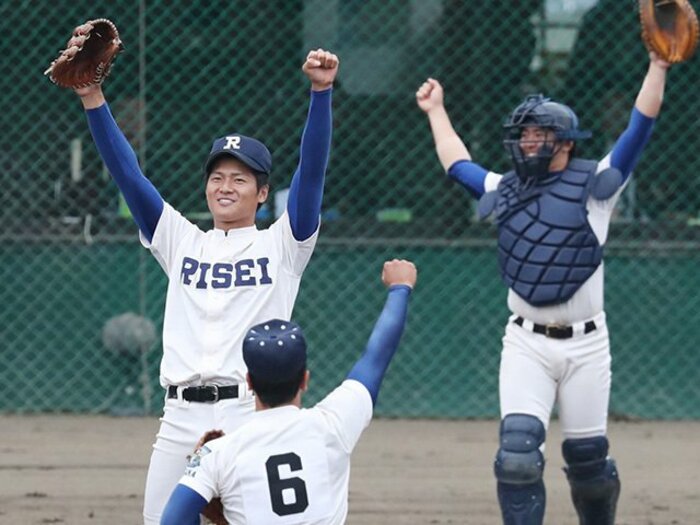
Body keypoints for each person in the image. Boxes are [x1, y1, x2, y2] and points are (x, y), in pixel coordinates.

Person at [68, 46, 339, 524]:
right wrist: (93, 97)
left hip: (245, 412)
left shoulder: (284, 243)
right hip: (179, 416)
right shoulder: (181, 240)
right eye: (217, 177)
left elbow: (311, 174)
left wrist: (320, 93)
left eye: (240, 178)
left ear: (261, 193)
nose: (226, 186)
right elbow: (128, 175)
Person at [416, 52, 670, 525]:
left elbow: (639, 128)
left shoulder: (596, 184)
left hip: (587, 344)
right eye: (523, 134)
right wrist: (436, 111)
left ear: (565, 143)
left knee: (589, 462)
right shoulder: (505, 187)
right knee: (516, 457)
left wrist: (657, 65)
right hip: (525, 341)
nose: (528, 142)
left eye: (539, 134)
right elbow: (457, 164)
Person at [159, 258, 417, 525]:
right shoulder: (332, 425)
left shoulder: (219, 454)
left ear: (249, 381)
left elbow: (172, 520)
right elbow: (376, 357)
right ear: (304, 379)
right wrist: (400, 288)